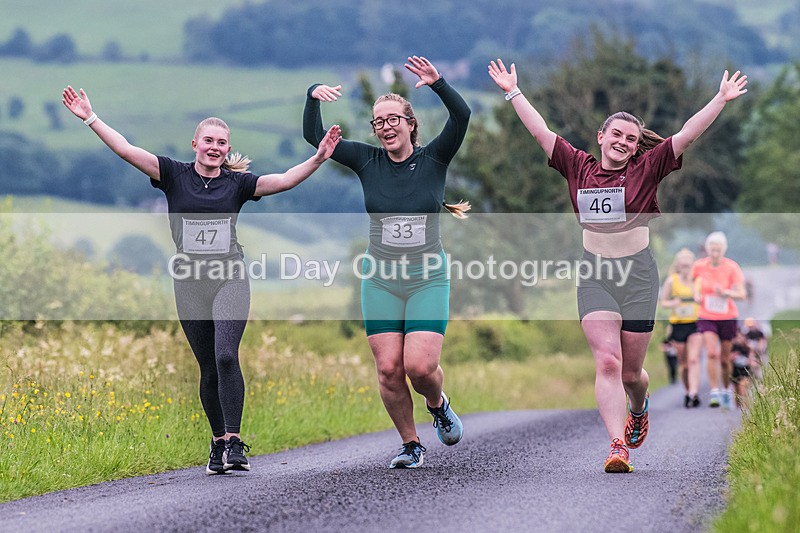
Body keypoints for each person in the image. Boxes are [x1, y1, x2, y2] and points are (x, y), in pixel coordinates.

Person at [61, 85, 341, 475]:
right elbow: (126, 149)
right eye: (208, 140)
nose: (214, 147)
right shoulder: (173, 175)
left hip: (229, 278)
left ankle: (235, 441)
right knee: (208, 368)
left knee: (226, 355)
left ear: (228, 149)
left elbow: (284, 180)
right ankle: (217, 444)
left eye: (222, 142)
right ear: (195, 143)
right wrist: (90, 117)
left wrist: (318, 158)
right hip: (189, 284)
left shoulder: (238, 184)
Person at [488, 59, 747, 473]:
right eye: (617, 135)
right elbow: (541, 132)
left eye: (631, 138)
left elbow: (686, 134)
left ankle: (639, 408)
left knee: (632, 375)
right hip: (595, 274)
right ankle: (616, 445)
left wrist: (719, 98)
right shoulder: (579, 167)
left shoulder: (648, 168)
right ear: (601, 137)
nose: (624, 142)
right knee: (606, 362)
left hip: (639, 276)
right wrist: (513, 91)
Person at [304, 56, 470, 469]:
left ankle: (438, 403)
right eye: (378, 121)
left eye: (394, 118)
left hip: (426, 277)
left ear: (410, 123)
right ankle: (411, 443)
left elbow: (462, 115)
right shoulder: (366, 160)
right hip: (380, 279)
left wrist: (438, 83)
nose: (386, 126)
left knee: (419, 366)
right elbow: (314, 136)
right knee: (389, 369)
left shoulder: (434, 159)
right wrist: (312, 96)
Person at [691, 231, 747, 410]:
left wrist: (726, 292)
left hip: (727, 316)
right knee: (712, 353)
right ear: (708, 249)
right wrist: (696, 293)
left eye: (718, 250)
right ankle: (714, 391)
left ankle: (725, 390)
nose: (715, 253)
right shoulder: (699, 266)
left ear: (724, 250)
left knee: (724, 359)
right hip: (706, 314)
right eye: (712, 250)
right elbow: (692, 281)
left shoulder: (732, 267)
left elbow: (742, 293)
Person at [660, 248, 703, 408]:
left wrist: (698, 296)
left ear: (692, 264)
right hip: (678, 325)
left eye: (688, 264)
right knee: (684, 364)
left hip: (695, 324)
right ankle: (687, 391)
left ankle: (694, 393)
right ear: (678, 265)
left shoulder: (698, 281)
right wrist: (673, 303)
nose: (685, 267)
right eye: (682, 264)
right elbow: (663, 301)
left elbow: (704, 299)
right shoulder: (672, 280)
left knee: (693, 359)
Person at [730, 330, 758, 409]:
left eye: (740, 337)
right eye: (736, 337)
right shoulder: (732, 348)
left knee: (743, 390)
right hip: (734, 373)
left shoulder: (748, 348)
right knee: (737, 393)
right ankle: (738, 410)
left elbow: (753, 360)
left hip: (745, 372)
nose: (738, 339)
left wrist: (751, 360)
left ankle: (746, 408)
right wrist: (733, 356)